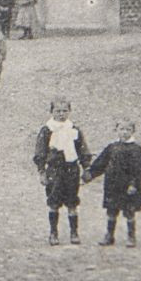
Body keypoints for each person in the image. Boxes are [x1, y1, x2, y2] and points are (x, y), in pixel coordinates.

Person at [33, 98, 92, 245]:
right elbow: (40, 152)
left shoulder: (74, 130)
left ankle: (74, 232)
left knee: (72, 201)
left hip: (71, 169)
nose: (61, 114)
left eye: (65, 111)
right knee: (54, 201)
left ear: (69, 112)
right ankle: (53, 233)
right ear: (51, 112)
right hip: (54, 170)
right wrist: (41, 171)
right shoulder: (47, 130)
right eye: (58, 111)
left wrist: (86, 168)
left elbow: (82, 149)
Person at [86, 119, 141, 247]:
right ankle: (109, 235)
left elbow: (138, 170)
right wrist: (90, 174)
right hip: (112, 185)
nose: (125, 132)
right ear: (117, 130)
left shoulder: (136, 149)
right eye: (122, 129)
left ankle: (131, 237)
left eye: (128, 130)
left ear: (133, 131)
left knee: (129, 211)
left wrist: (134, 184)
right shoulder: (112, 147)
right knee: (111, 210)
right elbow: (101, 162)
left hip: (128, 186)